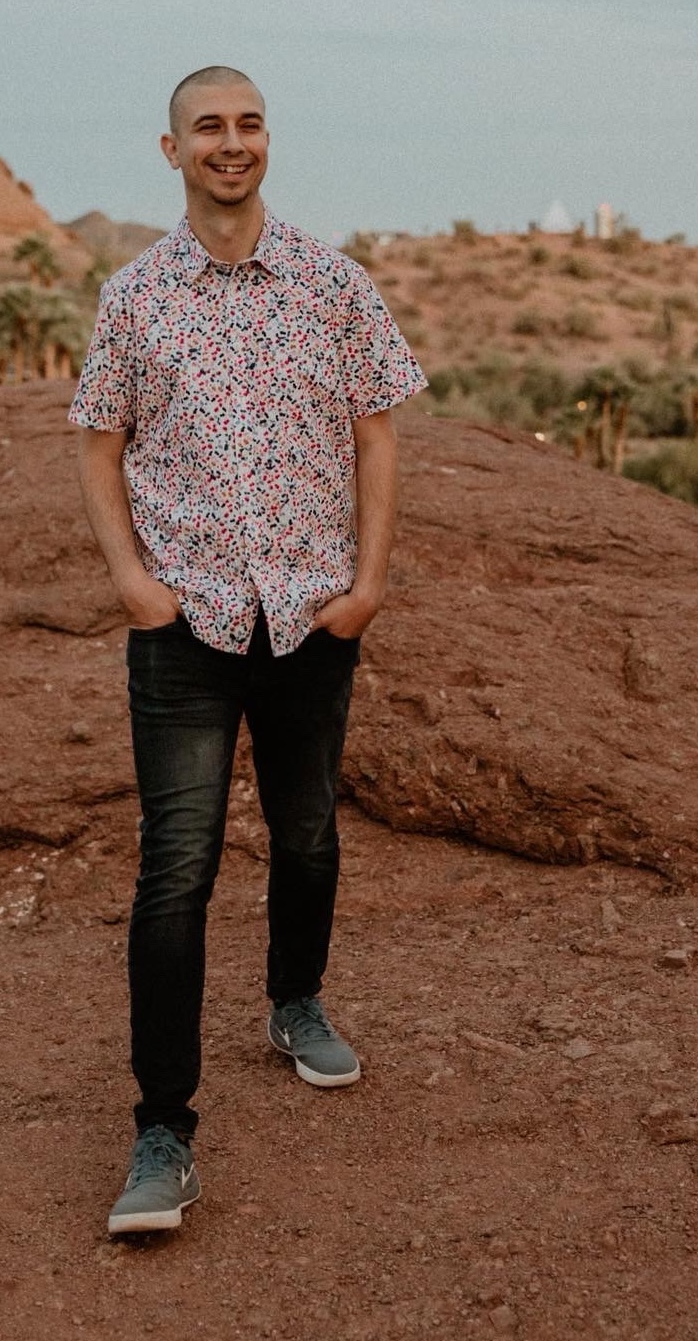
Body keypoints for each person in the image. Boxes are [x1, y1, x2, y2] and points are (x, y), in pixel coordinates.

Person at [69, 65, 425, 1235]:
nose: (232, 143)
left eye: (248, 123)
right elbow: (97, 442)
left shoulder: (332, 283)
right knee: (176, 866)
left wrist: (365, 585)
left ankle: (293, 1001)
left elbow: (375, 439)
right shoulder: (134, 296)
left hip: (310, 610)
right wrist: (133, 583)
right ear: (169, 151)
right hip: (186, 620)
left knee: (308, 827)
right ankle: (161, 1128)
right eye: (207, 128)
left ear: (268, 140)